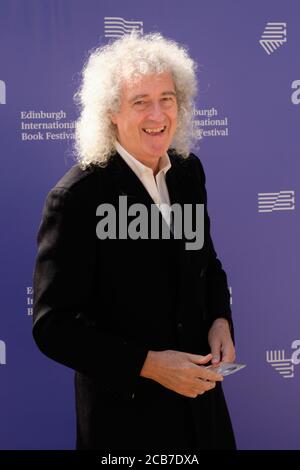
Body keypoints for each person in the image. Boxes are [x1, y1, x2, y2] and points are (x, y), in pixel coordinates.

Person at [33, 32, 236, 450]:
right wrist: (147, 365)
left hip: (202, 413)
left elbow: (207, 263)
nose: (157, 113)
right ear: (111, 112)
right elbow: (53, 327)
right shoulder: (76, 197)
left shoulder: (187, 172)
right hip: (126, 425)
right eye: (140, 101)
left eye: (167, 98)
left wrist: (220, 320)